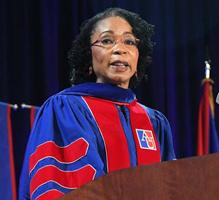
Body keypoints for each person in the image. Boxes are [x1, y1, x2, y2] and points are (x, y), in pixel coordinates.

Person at [19, 7, 176, 199]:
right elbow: (66, 187)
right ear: (88, 58)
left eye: (129, 41)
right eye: (107, 41)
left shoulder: (155, 122)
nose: (120, 49)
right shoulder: (66, 109)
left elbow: (170, 187)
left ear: (138, 58)